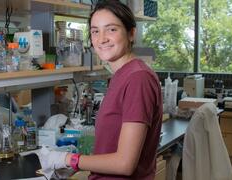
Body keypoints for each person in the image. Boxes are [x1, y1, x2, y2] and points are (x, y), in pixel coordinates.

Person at [35, 1, 163, 179]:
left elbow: (124, 164)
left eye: (111, 29)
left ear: (132, 33)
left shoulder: (137, 78)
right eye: (95, 31)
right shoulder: (122, 75)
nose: (101, 39)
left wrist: (70, 159)